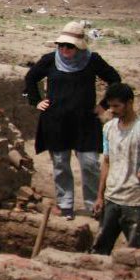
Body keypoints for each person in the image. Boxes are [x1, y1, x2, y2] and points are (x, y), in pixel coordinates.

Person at [24, 21, 121, 221]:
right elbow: (31, 78)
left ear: (79, 46)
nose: (65, 49)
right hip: (56, 122)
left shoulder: (92, 60)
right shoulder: (50, 60)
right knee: (61, 164)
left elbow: (115, 80)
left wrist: (104, 105)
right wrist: (36, 101)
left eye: (70, 46)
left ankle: (94, 205)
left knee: (89, 164)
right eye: (62, 45)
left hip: (85, 122)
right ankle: (65, 204)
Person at [91, 83, 140, 254]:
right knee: (99, 251)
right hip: (112, 199)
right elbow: (106, 162)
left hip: (136, 201)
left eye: (116, 106)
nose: (112, 110)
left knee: (135, 254)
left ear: (129, 103)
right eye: (110, 105)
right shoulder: (108, 128)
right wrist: (99, 196)